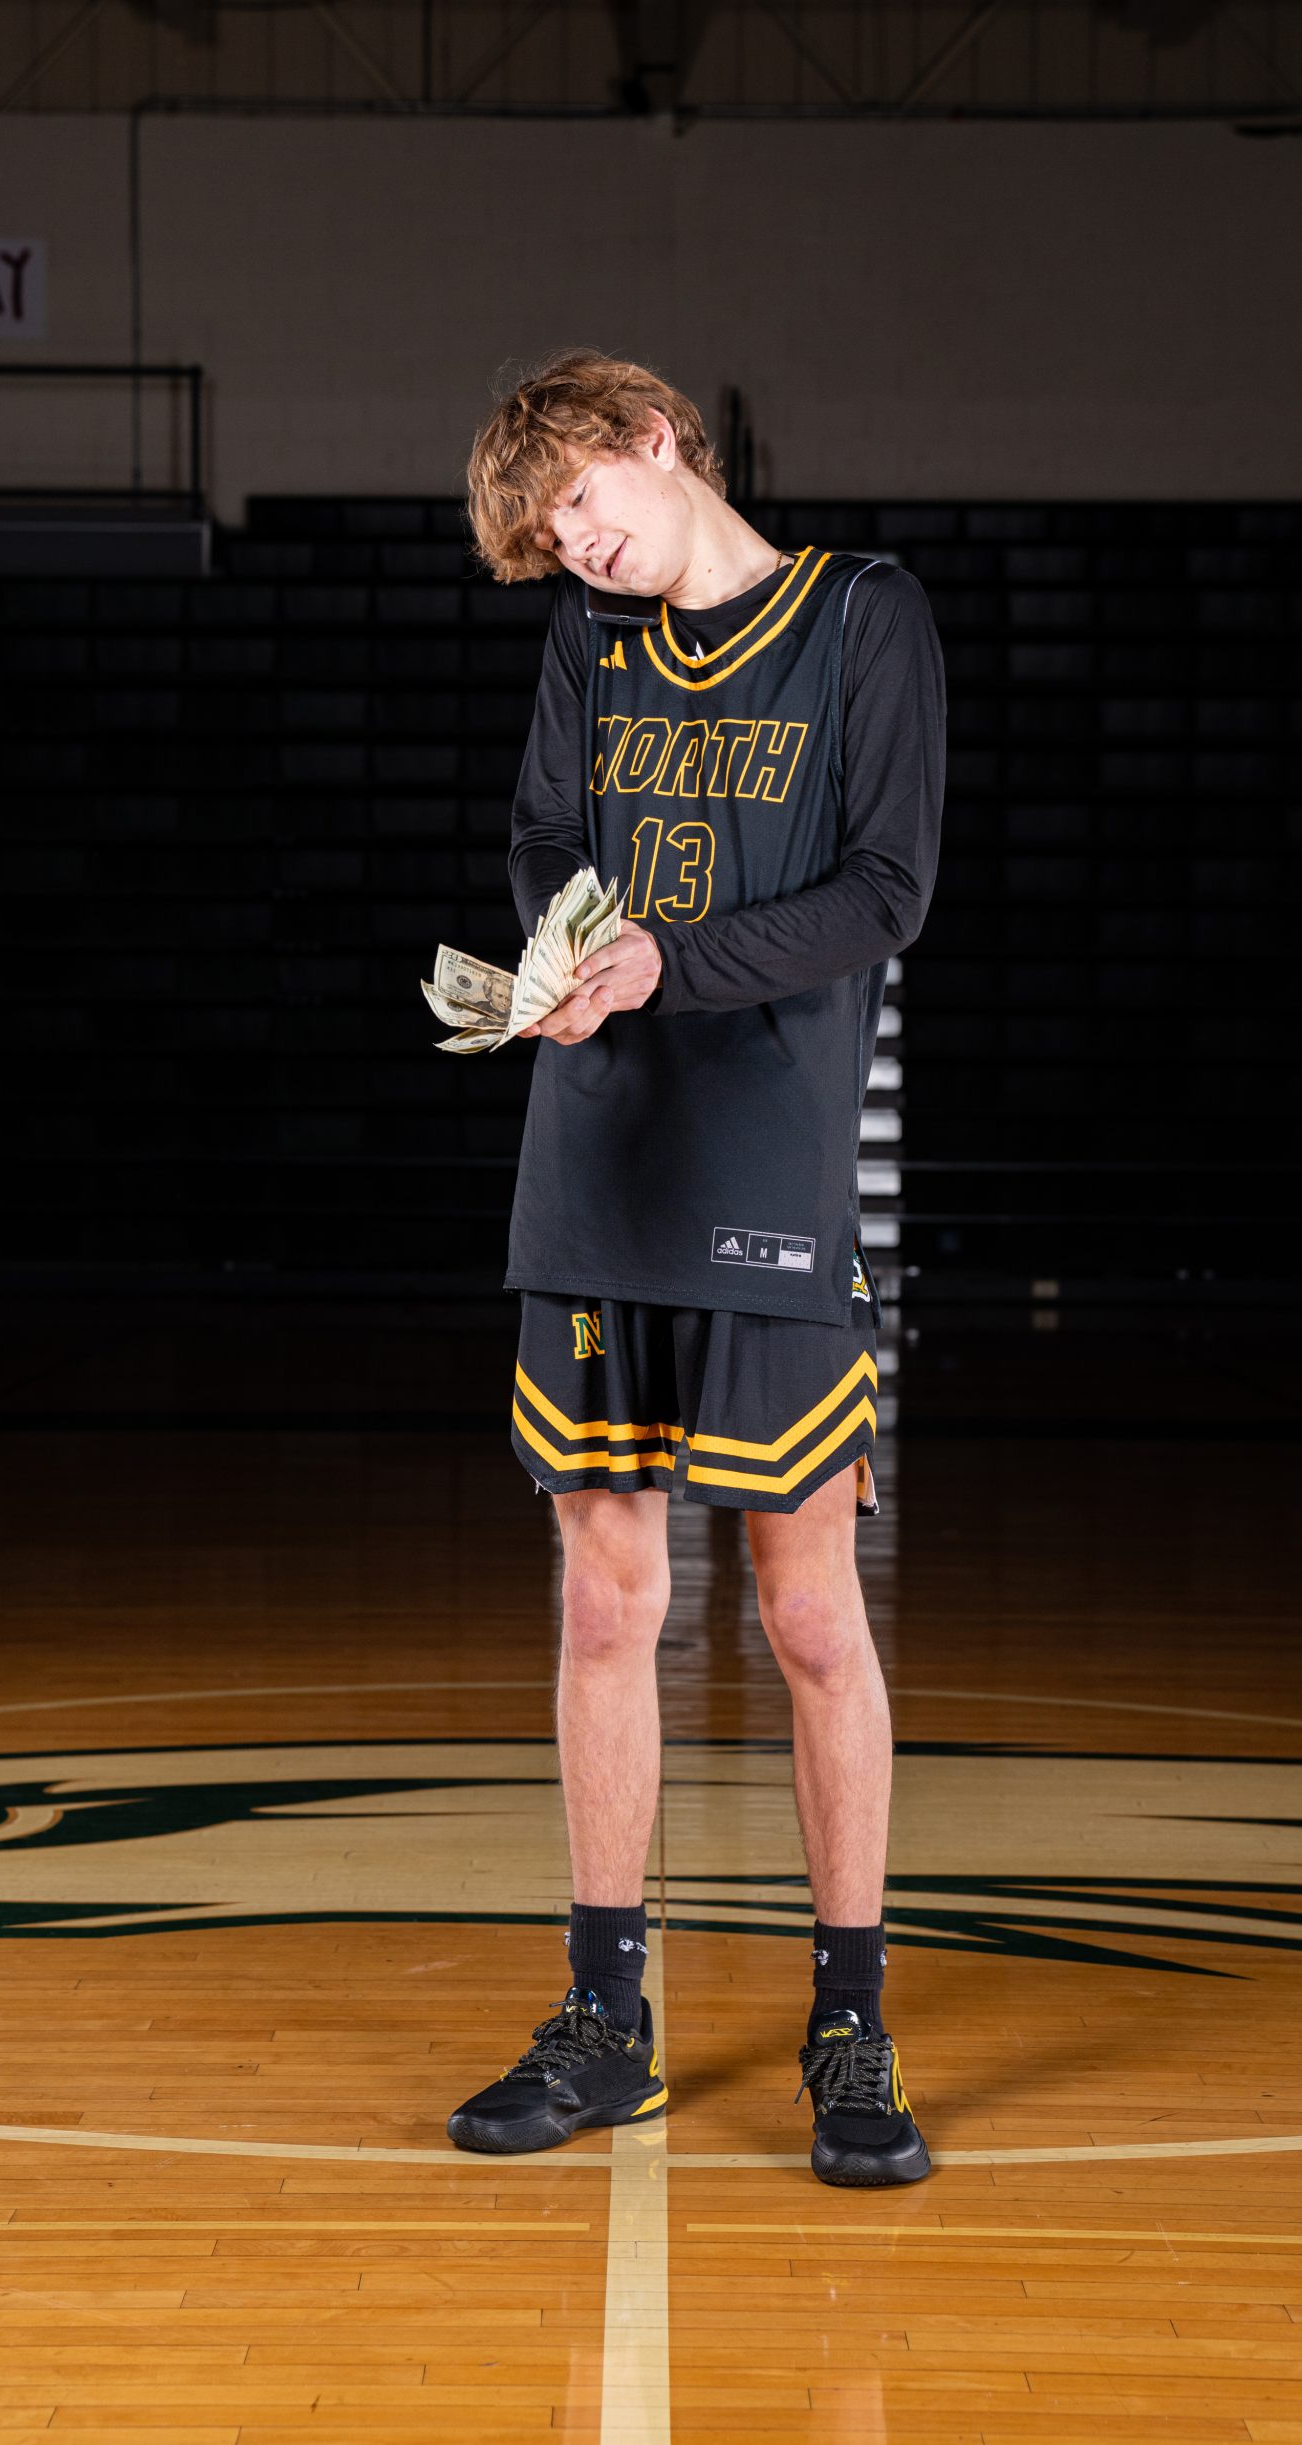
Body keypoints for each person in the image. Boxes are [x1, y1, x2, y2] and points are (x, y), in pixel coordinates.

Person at [444, 350, 945, 2186]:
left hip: (765, 1158)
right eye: (545, 540)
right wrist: (565, 951)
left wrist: (670, 962)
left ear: (655, 439)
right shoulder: (589, 641)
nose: (574, 549)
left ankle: (849, 2024)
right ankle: (604, 2018)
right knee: (601, 1603)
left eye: (581, 505)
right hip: (594, 1157)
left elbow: (887, 891)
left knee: (807, 1614)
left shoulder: (863, 619)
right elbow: (543, 837)